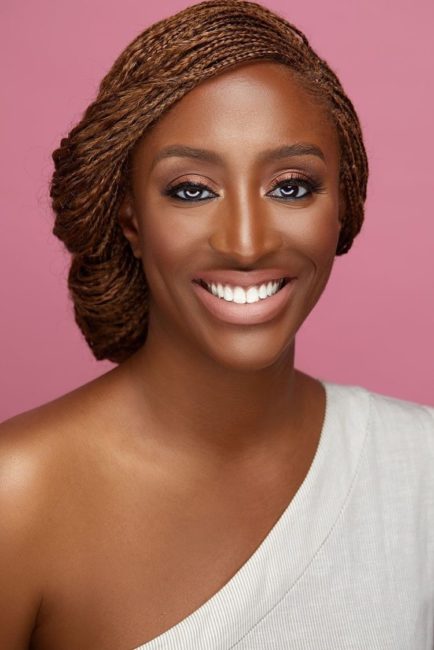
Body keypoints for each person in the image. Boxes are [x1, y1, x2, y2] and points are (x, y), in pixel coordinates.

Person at [0, 0, 432, 648]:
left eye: (291, 186)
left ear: (342, 206)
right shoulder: (15, 496)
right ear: (131, 219)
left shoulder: (421, 469)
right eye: (192, 190)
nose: (246, 243)